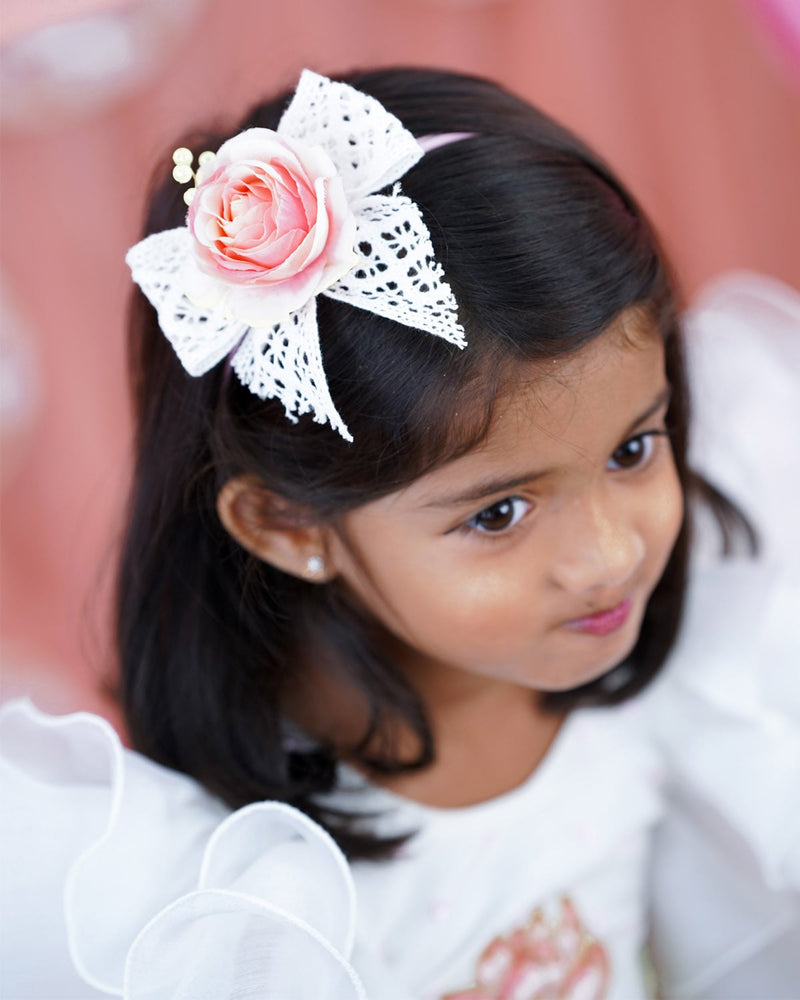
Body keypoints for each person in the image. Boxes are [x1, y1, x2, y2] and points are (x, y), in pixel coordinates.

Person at [1, 69, 798, 1000]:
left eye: (633, 449)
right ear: (288, 525)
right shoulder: (252, 892)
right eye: (498, 514)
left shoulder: (675, 653)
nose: (611, 556)